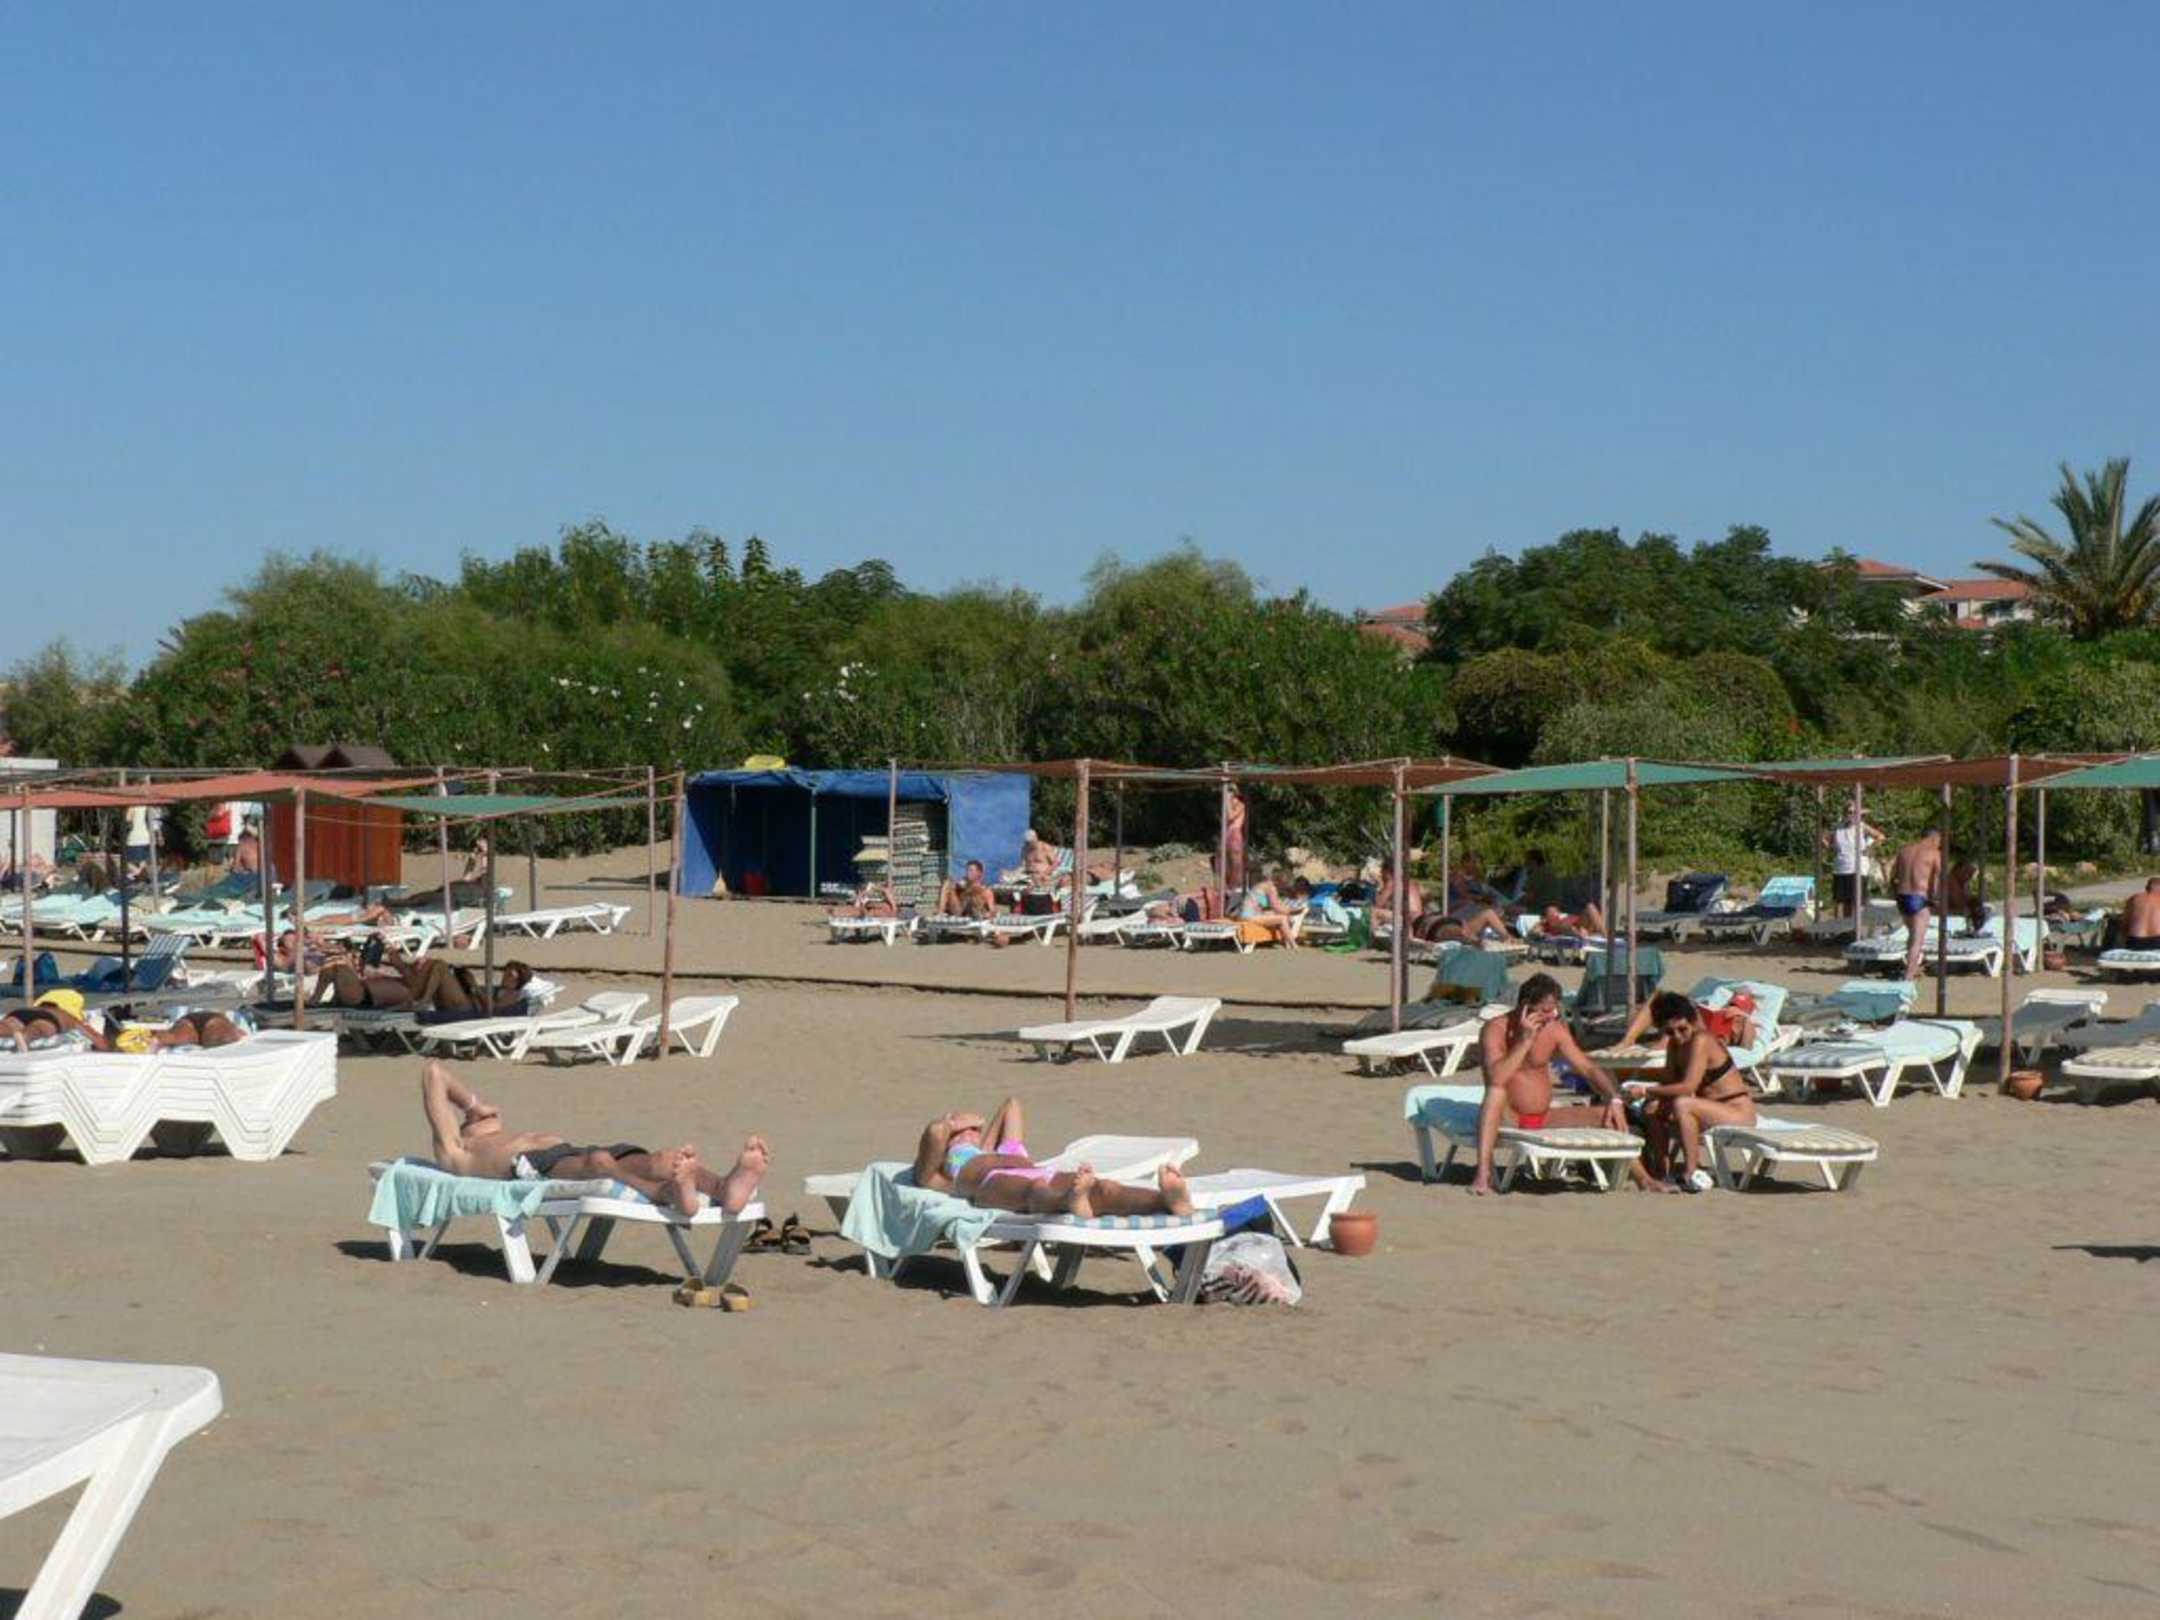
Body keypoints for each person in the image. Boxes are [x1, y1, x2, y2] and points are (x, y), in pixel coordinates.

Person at [421, 1058, 768, 1213]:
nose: (491, 1117)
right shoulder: (455, 1152)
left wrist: (475, 1107)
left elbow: (448, 1082)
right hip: (532, 1169)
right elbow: (433, 1072)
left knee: (663, 1158)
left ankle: (724, 1187)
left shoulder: (489, 1130)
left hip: (567, 1153)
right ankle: (668, 1193)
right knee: (600, 1163)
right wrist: (472, 1105)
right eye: (482, 1118)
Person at [1470, 974, 1627, 1195]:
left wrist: (1614, 1097)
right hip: (1508, 1117)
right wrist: (1524, 1041)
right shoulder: (1495, 1029)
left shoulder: (1553, 1029)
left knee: (1609, 1114)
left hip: (1544, 1117)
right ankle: (1483, 1173)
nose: (1550, 1016)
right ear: (1525, 1006)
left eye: (1553, 1010)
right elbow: (1496, 1078)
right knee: (1495, 1092)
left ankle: (1643, 1178)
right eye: (1544, 1011)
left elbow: (1587, 1068)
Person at [910, 1097, 1195, 1218]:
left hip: (1039, 1172)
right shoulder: (943, 1175)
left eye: (973, 1131)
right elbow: (935, 1133)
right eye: (959, 1133)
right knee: (1035, 1189)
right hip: (992, 1183)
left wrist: (978, 1125)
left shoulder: (1001, 1150)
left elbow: (1012, 1104)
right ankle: (1067, 1202)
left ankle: (1167, 1202)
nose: (967, 1133)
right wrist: (953, 1123)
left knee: (1104, 1188)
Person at [1621, 991, 1758, 1192]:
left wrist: (1644, 1090)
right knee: (1652, 1108)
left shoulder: (1702, 1040)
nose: (1677, 1036)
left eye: (1682, 1029)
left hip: (1737, 1111)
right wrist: (1632, 1080)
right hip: (1710, 1109)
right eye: (1670, 1032)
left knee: (1682, 1104)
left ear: (1693, 1022)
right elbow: (1669, 1079)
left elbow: (1688, 1087)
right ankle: (1662, 1171)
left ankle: (1690, 1172)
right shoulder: (1675, 1045)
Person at [327, 956, 534, 1014]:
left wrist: (473, 987)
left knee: (440, 965)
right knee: (434, 965)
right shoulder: (499, 988)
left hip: (466, 1008)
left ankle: (422, 1000)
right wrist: (465, 979)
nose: (506, 976)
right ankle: (417, 999)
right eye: (506, 971)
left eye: (511, 974)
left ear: (519, 980)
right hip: (462, 1001)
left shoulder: (513, 995)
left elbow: (492, 1010)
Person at [1890, 827, 1945, 980]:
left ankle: (1913, 967)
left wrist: (1895, 895)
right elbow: (1938, 878)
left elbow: (1893, 877)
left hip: (1902, 897)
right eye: (1940, 841)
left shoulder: (1904, 851)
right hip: (1919, 898)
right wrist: (1936, 899)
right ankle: (1908, 975)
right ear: (1935, 838)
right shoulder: (1934, 853)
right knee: (1917, 940)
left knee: (1912, 935)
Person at [1828, 815, 1885, 916]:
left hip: (1858, 868)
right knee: (1844, 902)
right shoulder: (1837, 827)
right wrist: (1832, 848)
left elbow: (1880, 837)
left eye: (1853, 812)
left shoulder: (1861, 826)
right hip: (1841, 868)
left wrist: (1869, 849)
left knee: (1857, 901)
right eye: (1848, 812)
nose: (1850, 815)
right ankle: (1846, 924)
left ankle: (1857, 924)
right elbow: (1825, 839)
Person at [2123, 877, 2160, 951]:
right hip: (2157, 940)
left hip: (2135, 940)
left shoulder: (2134, 898)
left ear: (2147, 888)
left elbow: (2125, 922)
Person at [829, 882, 897, 919]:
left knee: (856, 911)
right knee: (854, 910)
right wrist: (861, 895)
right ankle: (836, 912)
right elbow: (856, 906)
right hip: (867, 911)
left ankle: (836, 912)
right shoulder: (886, 901)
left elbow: (886, 891)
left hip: (870, 913)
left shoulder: (891, 905)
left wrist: (874, 887)